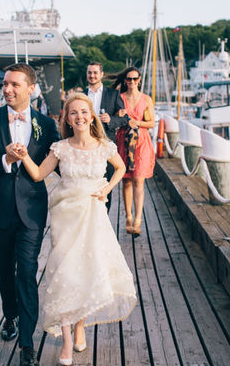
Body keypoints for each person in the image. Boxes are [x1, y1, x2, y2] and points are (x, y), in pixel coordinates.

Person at [7, 93, 137, 365]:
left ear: (91, 116)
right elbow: (39, 174)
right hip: (66, 217)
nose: (79, 117)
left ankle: (80, 325)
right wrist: (23, 156)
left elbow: (121, 167)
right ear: (66, 118)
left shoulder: (104, 146)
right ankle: (66, 339)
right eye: (73, 113)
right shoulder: (60, 148)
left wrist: (107, 188)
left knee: (88, 271)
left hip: (93, 216)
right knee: (65, 273)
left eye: (83, 112)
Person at [0, 63, 59, 366]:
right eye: (5, 83)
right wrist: (5, 160)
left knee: (28, 270)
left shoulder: (46, 125)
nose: (7, 89)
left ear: (30, 88)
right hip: (0, 207)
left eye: (14, 85)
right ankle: (10, 314)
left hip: (33, 210)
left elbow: (60, 161)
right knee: (4, 265)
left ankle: (27, 345)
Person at [111, 67, 155, 237]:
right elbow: (115, 119)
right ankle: (128, 216)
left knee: (138, 179)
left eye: (134, 79)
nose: (131, 82)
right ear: (125, 81)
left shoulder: (146, 99)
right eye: (128, 79)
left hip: (141, 142)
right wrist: (121, 117)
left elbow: (151, 123)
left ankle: (138, 221)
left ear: (139, 80)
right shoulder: (119, 98)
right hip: (124, 140)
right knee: (127, 181)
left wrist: (137, 122)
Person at [85, 61, 130, 210]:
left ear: (101, 75)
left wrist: (111, 119)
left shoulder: (113, 94)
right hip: (84, 146)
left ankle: (103, 217)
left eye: (95, 73)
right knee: (85, 183)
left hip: (106, 145)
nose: (92, 76)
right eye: (90, 73)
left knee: (106, 184)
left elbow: (125, 119)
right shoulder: (81, 95)